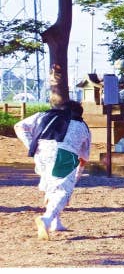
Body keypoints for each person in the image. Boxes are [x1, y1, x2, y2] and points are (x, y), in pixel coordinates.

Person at [14, 100, 91, 240]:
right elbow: (83, 157)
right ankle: (47, 219)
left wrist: (32, 145)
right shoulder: (82, 126)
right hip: (65, 154)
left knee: (52, 187)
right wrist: (75, 179)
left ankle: (56, 222)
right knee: (62, 191)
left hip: (41, 152)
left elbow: (19, 126)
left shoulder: (44, 115)